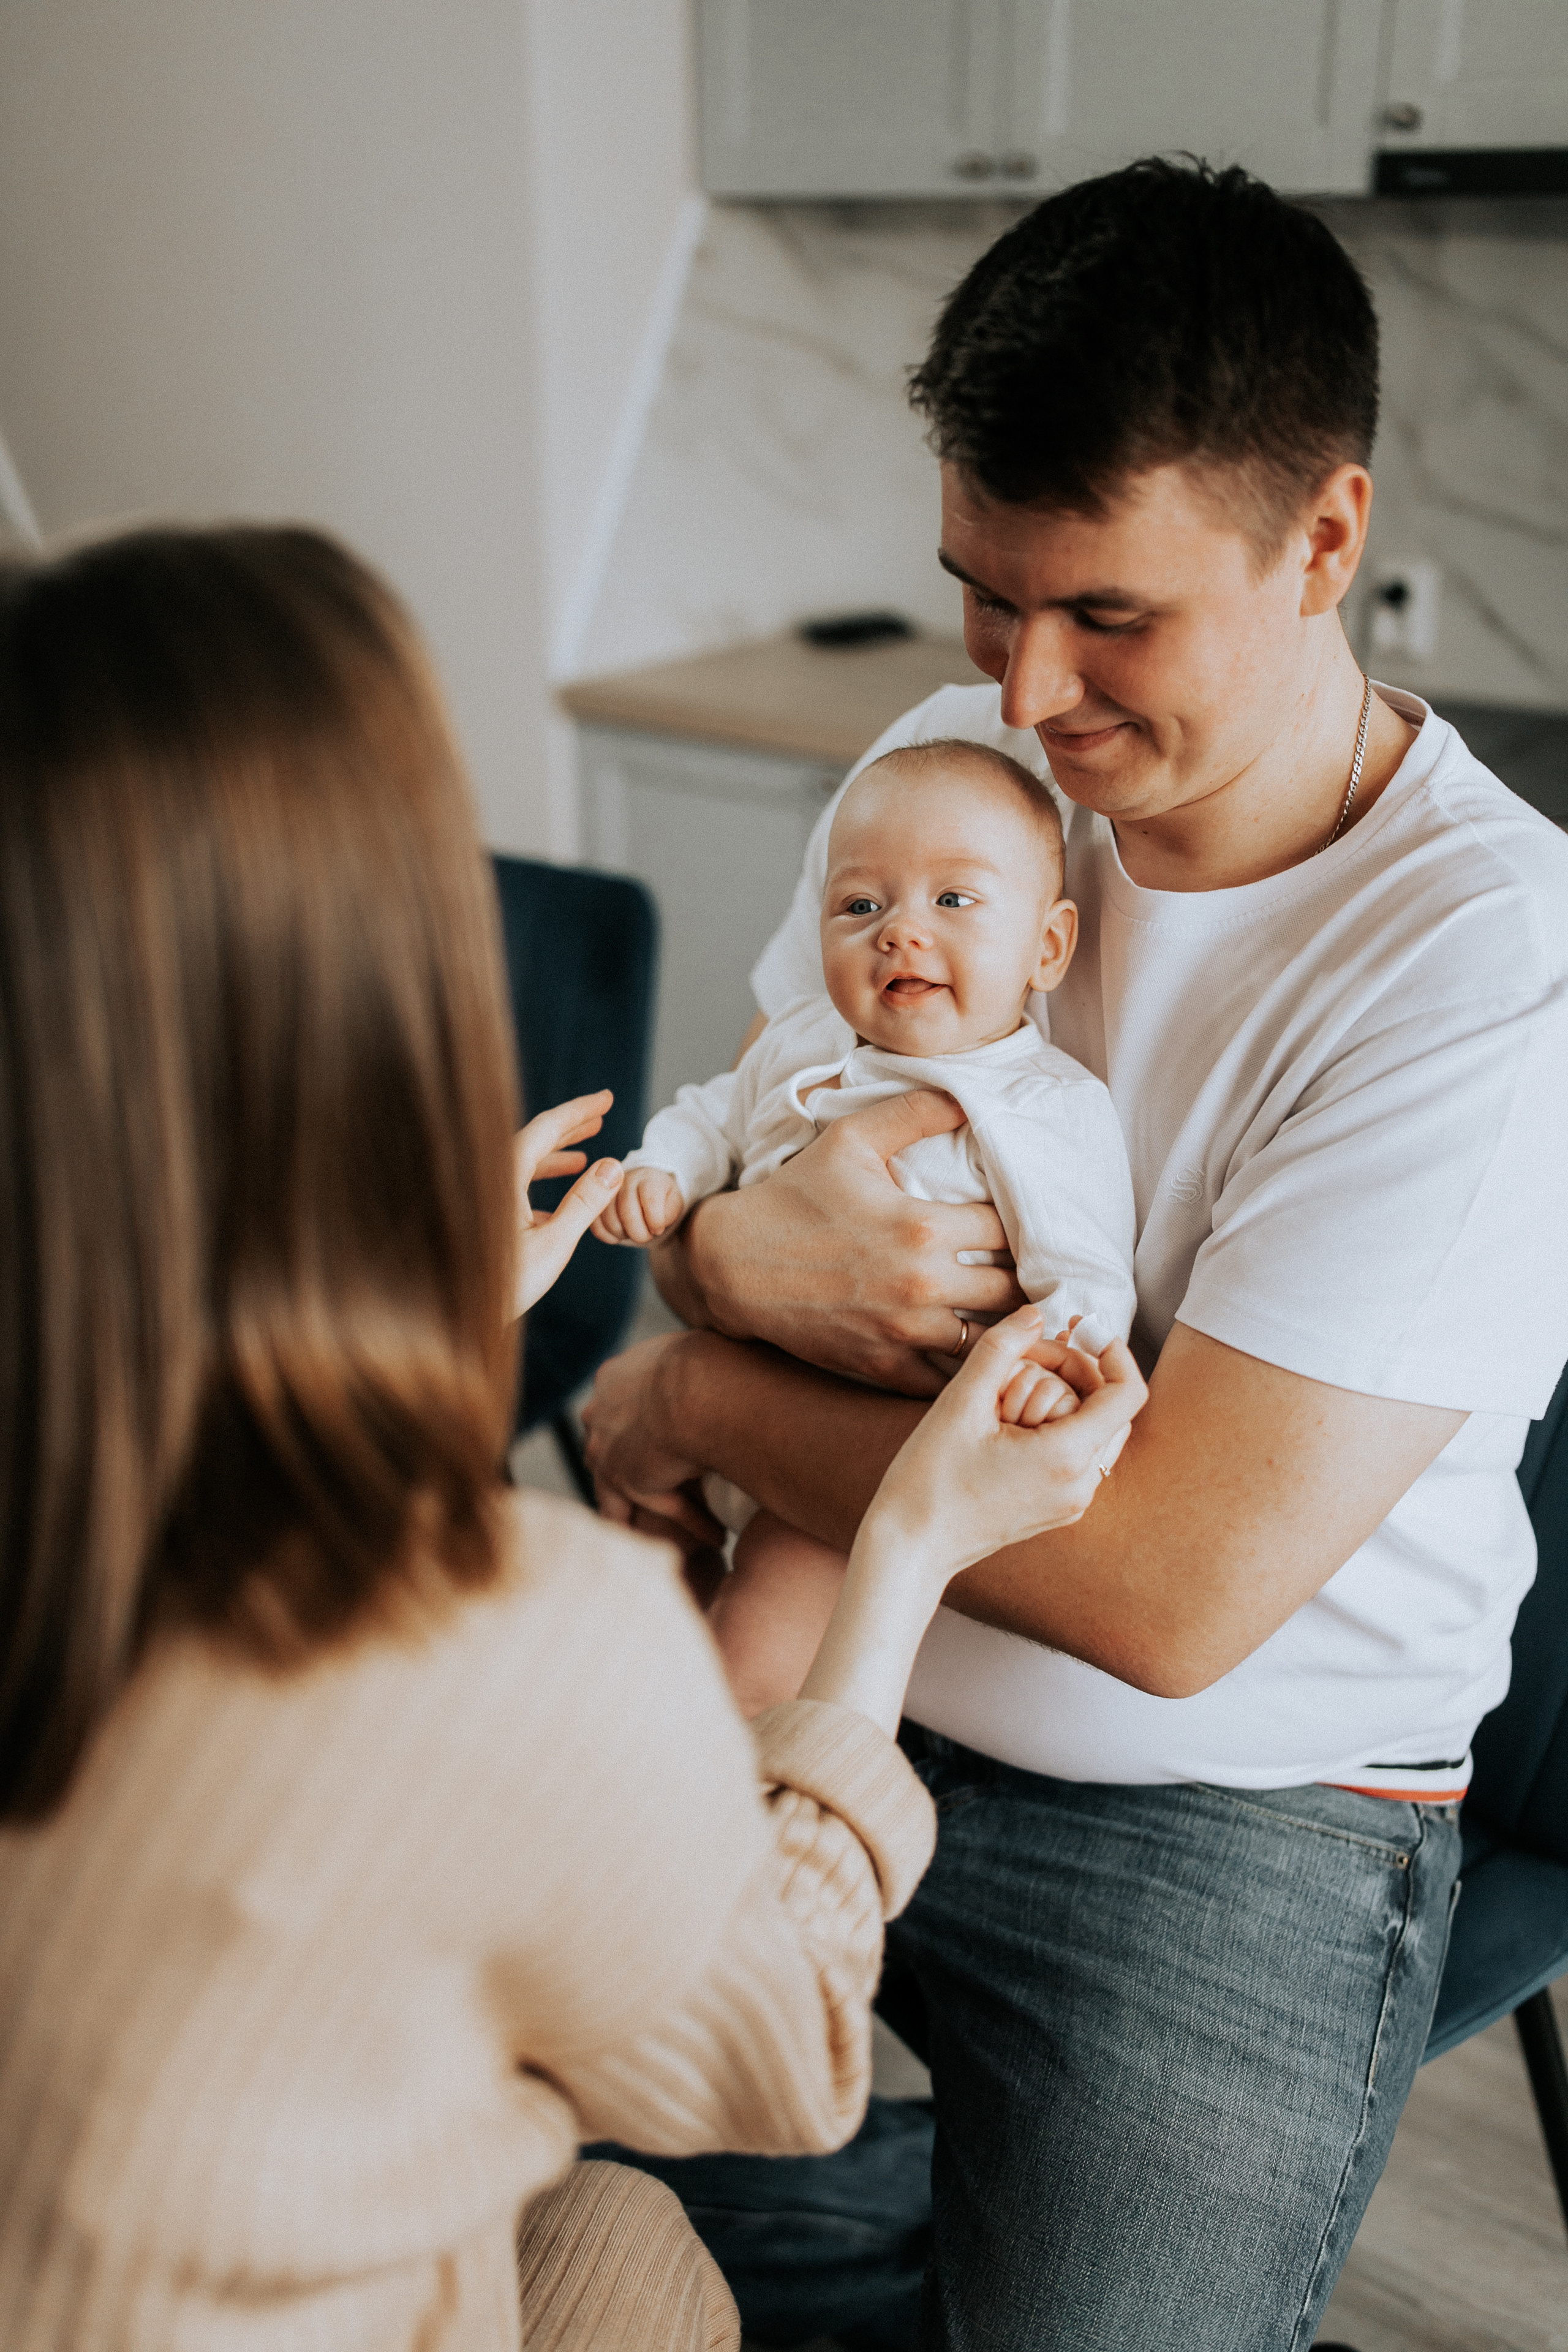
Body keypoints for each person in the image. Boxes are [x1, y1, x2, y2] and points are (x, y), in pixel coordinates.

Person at [584, 158, 1568, 2348]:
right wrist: (734, 1283)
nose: (1023, 693)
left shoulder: (1482, 962)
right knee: (447, 2174)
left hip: (1237, 1815)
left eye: (1107, 615)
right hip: (835, 1669)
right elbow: (743, 1191)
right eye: (978, 592)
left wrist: (692, 1394)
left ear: (1325, 539)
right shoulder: (952, 760)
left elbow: (1164, 1592)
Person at [0, 522, 1144, 2352]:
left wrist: (479, 1328)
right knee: (636, 2223)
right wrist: (910, 1538)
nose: (894, 941)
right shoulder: (503, 1642)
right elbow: (784, 2062)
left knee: (604, 2209)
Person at [596, 737, 1135, 1717]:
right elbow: (710, 1113)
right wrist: (661, 1172)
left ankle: (728, 1812)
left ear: (1047, 949)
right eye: (861, 906)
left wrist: (1052, 1377)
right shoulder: (805, 1037)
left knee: (750, 1662)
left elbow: (1085, 1274)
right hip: (743, 1384)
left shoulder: (1037, 1108)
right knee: (625, 1599)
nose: (900, 933)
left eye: (954, 901)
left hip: (854, 1443)